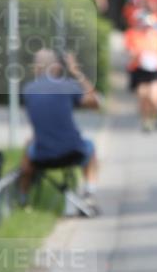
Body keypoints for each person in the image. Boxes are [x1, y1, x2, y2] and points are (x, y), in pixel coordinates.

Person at [19, 49, 100, 206]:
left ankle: (23, 199)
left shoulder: (28, 90)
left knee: (28, 148)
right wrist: (76, 72)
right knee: (90, 146)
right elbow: (95, 102)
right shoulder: (68, 86)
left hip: (41, 155)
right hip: (73, 152)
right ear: (56, 67)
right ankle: (89, 192)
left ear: (36, 68)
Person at [124, 12, 157, 132]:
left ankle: (156, 115)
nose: (147, 27)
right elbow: (130, 52)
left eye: (150, 25)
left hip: (156, 71)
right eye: (145, 25)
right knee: (143, 96)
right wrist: (135, 55)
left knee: (154, 97)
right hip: (141, 70)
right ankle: (146, 120)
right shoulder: (135, 36)